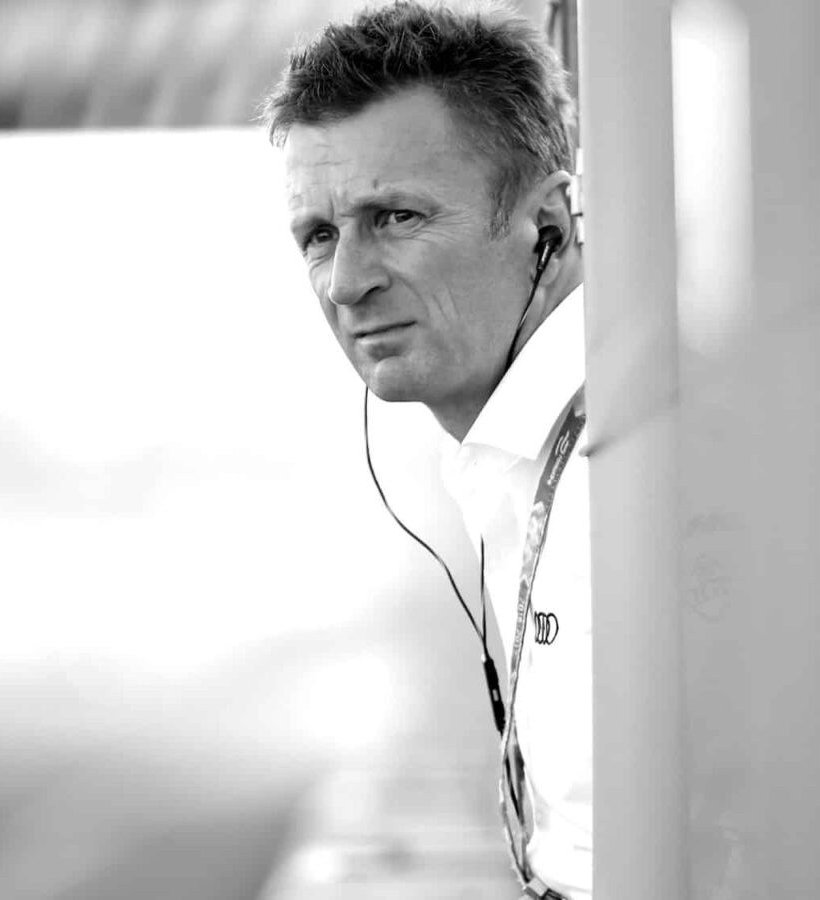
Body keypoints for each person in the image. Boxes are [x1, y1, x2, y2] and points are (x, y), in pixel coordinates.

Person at [260, 3, 591, 898]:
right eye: (318, 235)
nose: (346, 282)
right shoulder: (527, 453)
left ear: (547, 224)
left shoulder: (634, 466)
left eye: (397, 216)